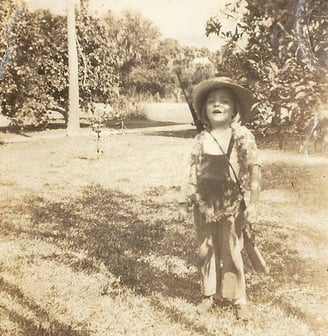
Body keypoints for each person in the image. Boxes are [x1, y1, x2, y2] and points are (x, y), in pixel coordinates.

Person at [179, 77, 262, 321]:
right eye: (212, 101)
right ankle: (209, 294)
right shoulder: (200, 140)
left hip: (232, 205)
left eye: (225, 102)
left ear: (234, 109)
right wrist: (186, 199)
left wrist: (254, 203)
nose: (218, 105)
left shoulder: (242, 136)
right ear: (204, 108)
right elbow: (192, 171)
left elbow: (255, 168)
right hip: (204, 205)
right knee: (205, 249)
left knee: (232, 251)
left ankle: (238, 298)